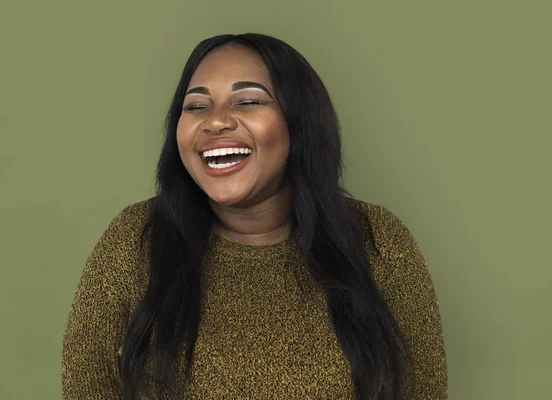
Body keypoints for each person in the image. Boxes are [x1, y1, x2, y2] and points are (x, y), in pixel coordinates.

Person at [61, 33, 448, 399]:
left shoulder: (378, 240)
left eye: (247, 101)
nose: (216, 121)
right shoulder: (136, 238)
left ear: (299, 123)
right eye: (196, 106)